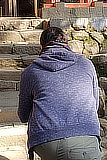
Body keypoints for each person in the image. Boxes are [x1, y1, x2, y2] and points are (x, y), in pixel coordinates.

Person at [18, 27, 101, 160]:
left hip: (46, 140)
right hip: (85, 137)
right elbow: (95, 104)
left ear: (42, 46)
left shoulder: (31, 72)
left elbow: (23, 115)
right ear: (67, 44)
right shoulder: (86, 64)